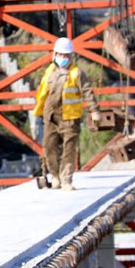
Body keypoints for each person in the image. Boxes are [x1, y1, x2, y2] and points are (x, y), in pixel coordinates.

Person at [33, 37, 100, 191]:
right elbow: (42, 93)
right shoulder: (50, 71)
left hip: (70, 118)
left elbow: (87, 92)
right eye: (60, 55)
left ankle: (66, 180)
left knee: (68, 150)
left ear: (71, 56)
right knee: (49, 148)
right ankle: (54, 176)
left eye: (66, 55)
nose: (63, 58)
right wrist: (39, 111)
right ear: (55, 54)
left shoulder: (77, 73)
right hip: (51, 117)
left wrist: (94, 111)